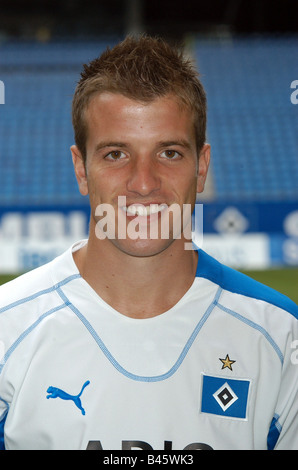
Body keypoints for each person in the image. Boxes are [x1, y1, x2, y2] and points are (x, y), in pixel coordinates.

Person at [0, 35, 297, 451]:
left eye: (170, 153)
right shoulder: (7, 330)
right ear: (81, 169)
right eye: (116, 154)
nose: (143, 183)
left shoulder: (281, 337)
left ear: (202, 167)